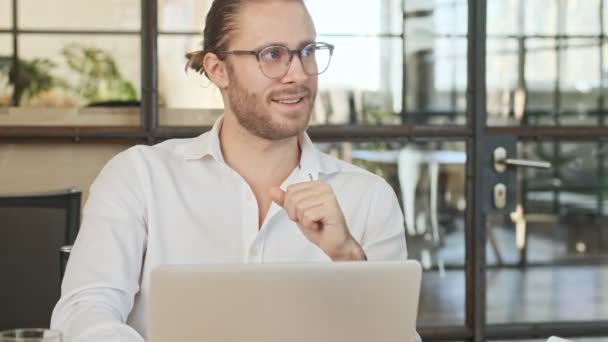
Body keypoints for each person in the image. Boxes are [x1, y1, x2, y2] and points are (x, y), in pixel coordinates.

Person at [51, 0, 408, 341]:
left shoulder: (369, 198)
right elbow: (85, 311)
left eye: (308, 51)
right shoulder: (138, 179)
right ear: (218, 69)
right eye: (273, 54)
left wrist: (349, 259)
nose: (298, 74)